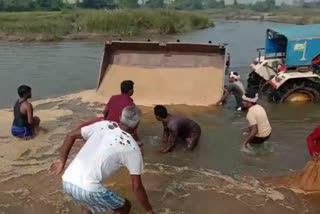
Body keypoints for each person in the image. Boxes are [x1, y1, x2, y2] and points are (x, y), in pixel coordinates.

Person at [50, 106, 154, 214]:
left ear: (120, 117)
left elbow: (70, 135)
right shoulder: (132, 148)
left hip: (67, 181)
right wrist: (149, 210)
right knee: (124, 207)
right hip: (89, 188)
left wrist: (61, 161)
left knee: (87, 203)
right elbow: (137, 187)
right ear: (137, 125)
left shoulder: (104, 125)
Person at [76, 80, 141, 143]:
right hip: (120, 128)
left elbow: (105, 112)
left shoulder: (113, 98)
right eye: (133, 89)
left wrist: (105, 120)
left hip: (108, 124)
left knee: (86, 125)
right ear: (130, 91)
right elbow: (132, 124)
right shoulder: (131, 105)